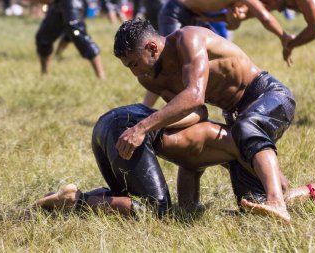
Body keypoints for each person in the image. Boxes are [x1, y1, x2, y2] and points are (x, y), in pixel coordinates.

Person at [36, 104, 315, 222]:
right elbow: (279, 188)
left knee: (142, 202)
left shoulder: (221, 141)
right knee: (151, 212)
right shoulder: (241, 146)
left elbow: (191, 165)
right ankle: (78, 201)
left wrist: (188, 210)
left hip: (113, 122)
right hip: (129, 130)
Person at [112, 19, 298, 222]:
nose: (135, 72)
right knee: (252, 202)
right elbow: (195, 113)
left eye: (135, 63)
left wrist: (142, 127)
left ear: (152, 47)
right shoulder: (149, 78)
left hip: (269, 95)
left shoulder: (189, 38)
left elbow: (194, 96)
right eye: (128, 67)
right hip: (235, 115)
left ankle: (276, 202)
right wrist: (164, 133)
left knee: (247, 129)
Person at [142, 0, 292, 107]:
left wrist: (235, 18)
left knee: (206, 60)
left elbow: (231, 25)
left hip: (198, 17)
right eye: (282, 3)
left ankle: (187, 109)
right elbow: (265, 18)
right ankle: (146, 109)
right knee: (167, 66)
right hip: (176, 12)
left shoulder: (245, 4)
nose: (278, 8)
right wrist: (284, 37)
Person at [35, 0, 106, 79]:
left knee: (77, 32)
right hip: (57, 3)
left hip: (73, 2)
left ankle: (101, 77)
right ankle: (44, 75)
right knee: (43, 36)